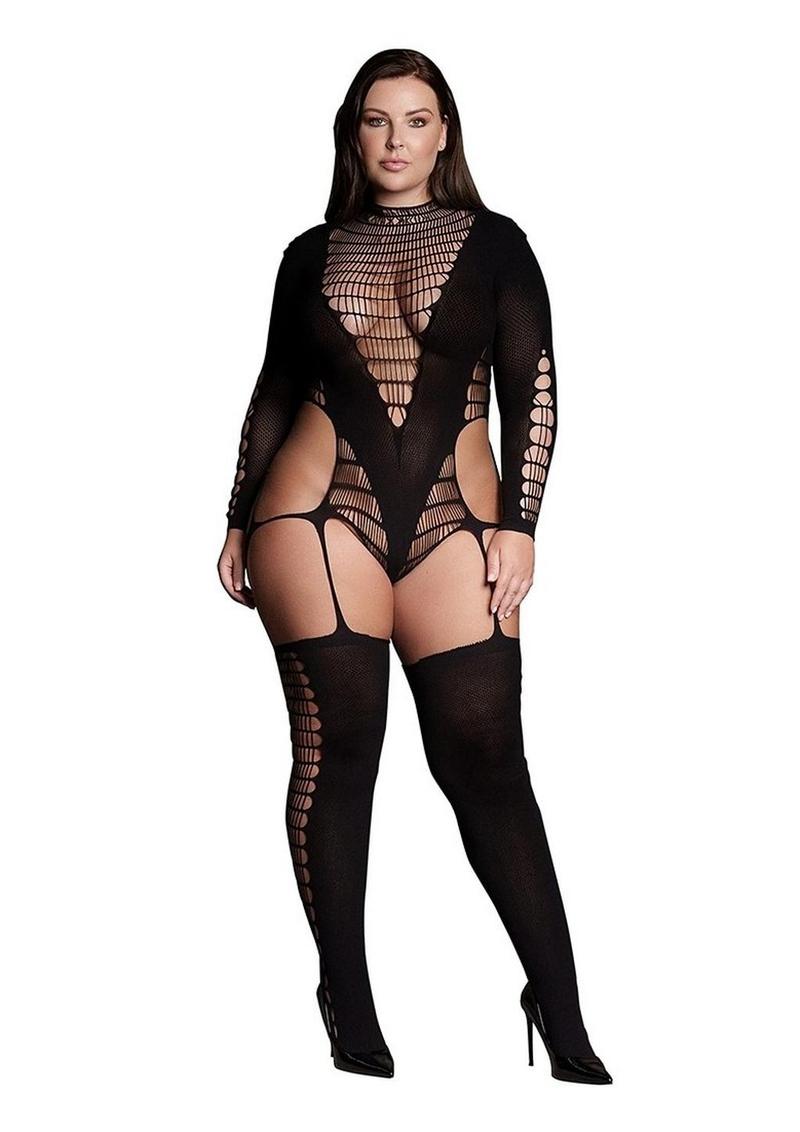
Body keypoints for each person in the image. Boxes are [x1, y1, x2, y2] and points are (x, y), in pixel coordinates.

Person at [217, 48, 612, 1085]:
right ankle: (346, 1000)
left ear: (445, 134)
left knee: (486, 765)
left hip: (455, 526)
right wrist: (233, 517)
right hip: (311, 516)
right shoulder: (308, 254)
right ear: (354, 134)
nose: (395, 140)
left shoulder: (496, 242)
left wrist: (520, 523)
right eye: (376, 120)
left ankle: (559, 1006)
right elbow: (273, 390)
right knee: (336, 752)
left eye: (416, 120)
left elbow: (534, 385)